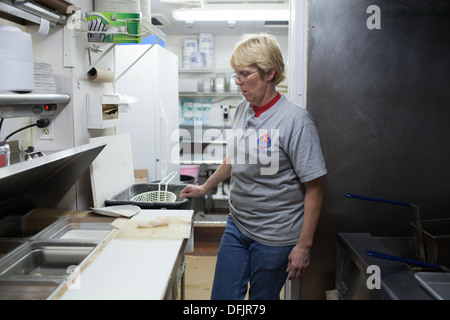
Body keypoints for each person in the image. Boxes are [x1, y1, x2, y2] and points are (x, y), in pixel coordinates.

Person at [180, 33, 327, 300]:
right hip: (237, 227)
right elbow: (234, 157)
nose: (238, 82)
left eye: (244, 75)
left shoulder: (295, 121)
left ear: (269, 73)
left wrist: (304, 245)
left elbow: (315, 187)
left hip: (275, 237)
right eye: (236, 74)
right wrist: (204, 187)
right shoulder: (242, 109)